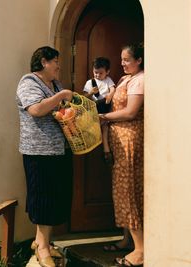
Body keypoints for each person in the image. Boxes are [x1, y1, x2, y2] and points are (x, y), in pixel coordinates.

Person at [16, 46, 73, 267]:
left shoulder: (54, 84)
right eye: (55, 61)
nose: (59, 65)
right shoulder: (29, 82)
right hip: (39, 151)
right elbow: (36, 110)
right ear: (43, 62)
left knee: (54, 198)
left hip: (59, 149)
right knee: (43, 199)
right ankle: (42, 247)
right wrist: (61, 96)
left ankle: (42, 242)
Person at [100, 43, 144, 267]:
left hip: (130, 140)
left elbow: (130, 112)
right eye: (122, 59)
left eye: (127, 60)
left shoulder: (140, 79)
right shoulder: (126, 79)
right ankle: (127, 239)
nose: (122, 63)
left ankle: (140, 249)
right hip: (119, 140)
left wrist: (104, 118)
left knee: (128, 190)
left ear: (139, 60)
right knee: (121, 189)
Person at [83, 57, 115, 163]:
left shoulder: (108, 80)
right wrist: (91, 93)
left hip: (105, 107)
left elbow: (113, 88)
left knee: (105, 128)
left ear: (107, 72)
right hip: (94, 108)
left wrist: (110, 95)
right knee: (96, 129)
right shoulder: (90, 82)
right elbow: (84, 98)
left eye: (100, 73)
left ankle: (106, 151)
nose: (97, 75)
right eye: (95, 72)